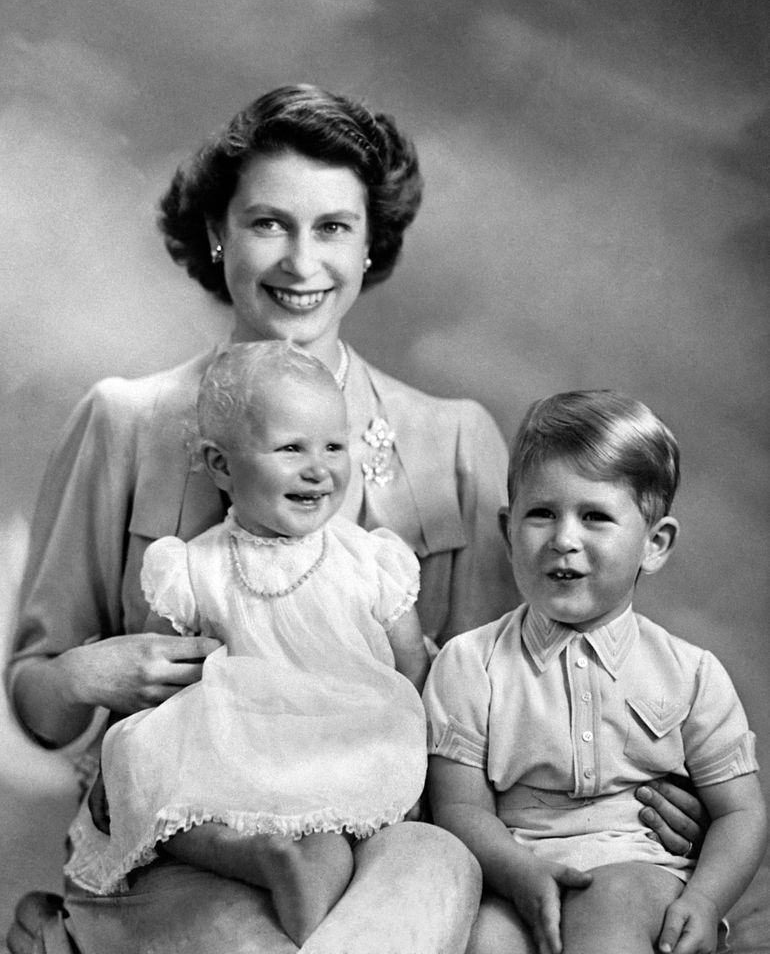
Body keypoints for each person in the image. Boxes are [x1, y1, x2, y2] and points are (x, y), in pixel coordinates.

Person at [6, 84, 704, 953]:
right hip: (194, 842)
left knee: (438, 873)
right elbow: (38, 701)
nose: (302, 262)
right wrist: (87, 675)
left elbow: (519, 681)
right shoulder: (126, 421)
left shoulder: (452, 439)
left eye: (333, 227)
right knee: (257, 938)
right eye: (268, 223)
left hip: (391, 824)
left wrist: (632, 786)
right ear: (218, 232)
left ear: (371, 245)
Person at [66, 340, 430, 945]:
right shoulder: (194, 566)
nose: (320, 468)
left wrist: (419, 768)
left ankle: (301, 874)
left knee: (337, 824)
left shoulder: (369, 560)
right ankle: (261, 853)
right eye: (291, 448)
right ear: (221, 466)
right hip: (235, 745)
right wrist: (118, 760)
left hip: (341, 739)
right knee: (150, 774)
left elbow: (415, 668)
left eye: (334, 446)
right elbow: (157, 678)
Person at [424, 389, 767, 954]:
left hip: (635, 865)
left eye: (595, 517)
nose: (564, 539)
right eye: (541, 514)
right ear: (509, 531)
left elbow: (740, 812)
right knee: (482, 941)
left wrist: (704, 901)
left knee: (609, 928)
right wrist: (516, 871)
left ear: (654, 544)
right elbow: (459, 806)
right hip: (514, 866)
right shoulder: (469, 664)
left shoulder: (691, 672)